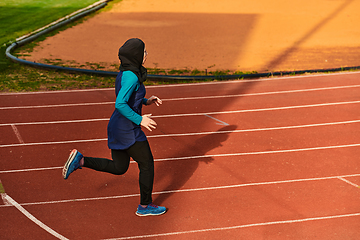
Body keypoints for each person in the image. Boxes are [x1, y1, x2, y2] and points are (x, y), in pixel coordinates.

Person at [62, 38, 166, 216]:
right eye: (144, 52)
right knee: (147, 164)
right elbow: (120, 103)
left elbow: (128, 98)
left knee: (119, 167)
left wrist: (146, 101)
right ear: (136, 55)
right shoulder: (132, 76)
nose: (146, 54)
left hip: (117, 126)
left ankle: (81, 160)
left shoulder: (126, 72)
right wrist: (140, 119)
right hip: (128, 129)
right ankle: (145, 206)